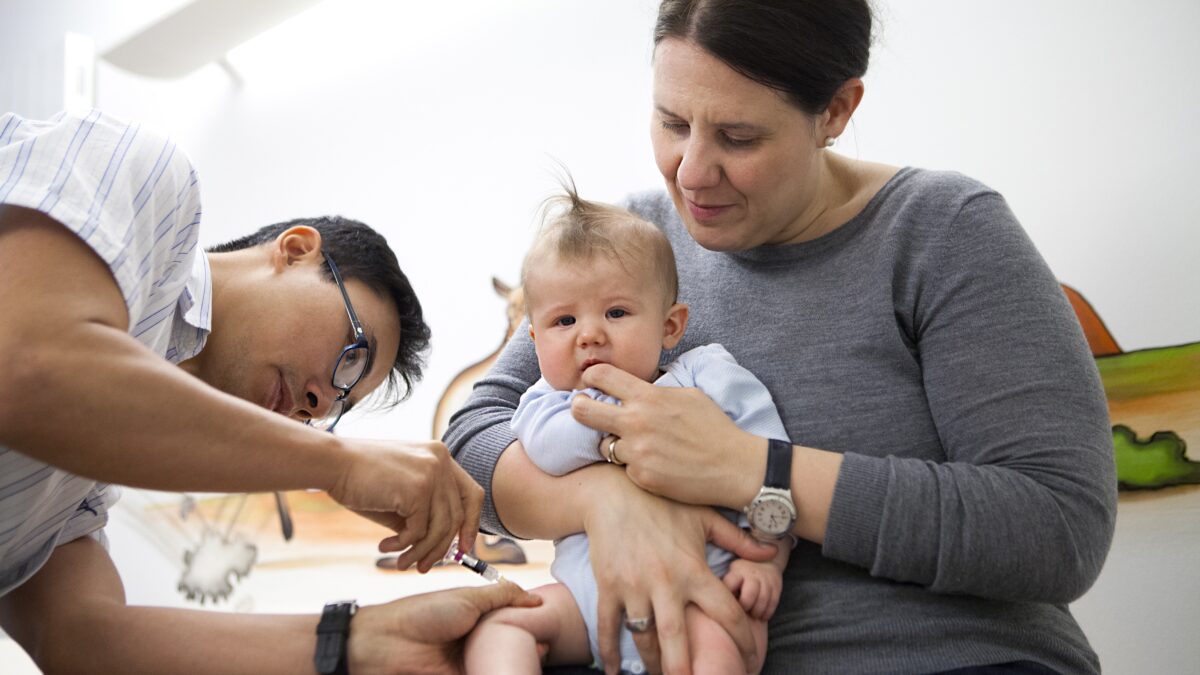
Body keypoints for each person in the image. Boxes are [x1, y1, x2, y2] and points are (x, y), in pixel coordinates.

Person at [446, 1, 1118, 673]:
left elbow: (1058, 526)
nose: (691, 172)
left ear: (836, 111)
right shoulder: (631, 248)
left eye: (737, 137)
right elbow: (473, 437)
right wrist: (605, 500)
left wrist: (750, 469)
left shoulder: (942, 232)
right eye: (673, 122)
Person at [0, 109, 528, 674]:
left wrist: (362, 642)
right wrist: (336, 464)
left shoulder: (75, 489)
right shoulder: (149, 182)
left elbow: (80, 642)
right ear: (296, 249)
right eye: (352, 356)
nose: (322, 403)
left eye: (341, 408)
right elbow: (27, 364)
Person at [462, 187, 791, 675]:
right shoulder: (545, 401)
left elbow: (772, 465)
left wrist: (767, 560)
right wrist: (616, 434)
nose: (589, 334)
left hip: (705, 594)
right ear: (533, 337)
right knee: (500, 624)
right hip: (587, 603)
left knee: (723, 651)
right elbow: (547, 452)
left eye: (616, 313)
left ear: (670, 326)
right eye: (564, 320)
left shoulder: (705, 375)